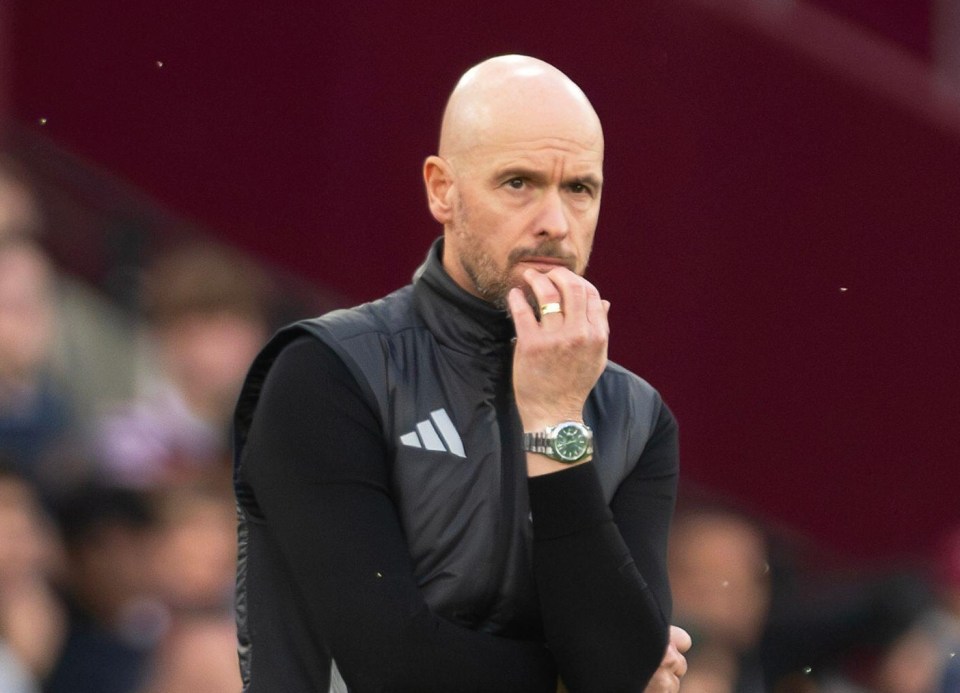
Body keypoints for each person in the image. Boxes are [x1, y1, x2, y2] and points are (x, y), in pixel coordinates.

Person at [233, 54, 688, 692]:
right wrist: (572, 683)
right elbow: (393, 665)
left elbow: (618, 666)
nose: (555, 223)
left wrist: (556, 421)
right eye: (519, 183)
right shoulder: (327, 374)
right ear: (442, 189)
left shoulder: (636, 417)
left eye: (579, 189)